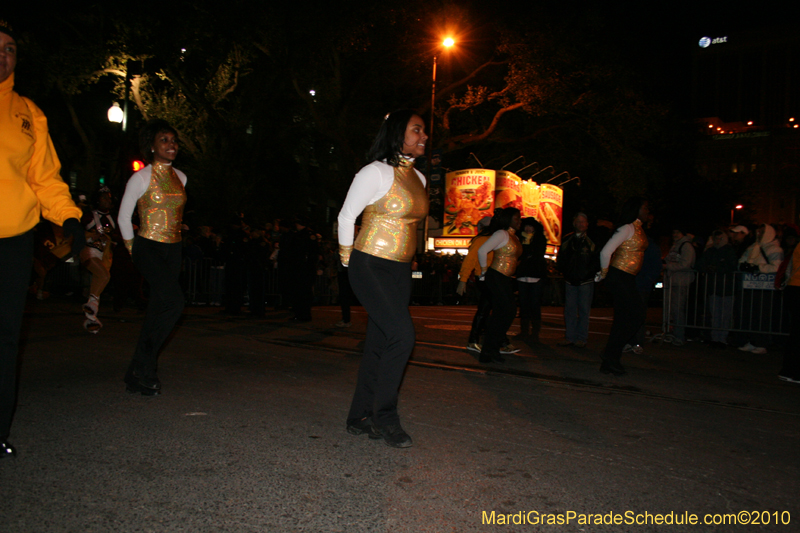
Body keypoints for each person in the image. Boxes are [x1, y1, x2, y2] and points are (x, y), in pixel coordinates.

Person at [0, 21, 85, 458]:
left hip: (13, 239)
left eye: (10, 49)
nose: (3, 55)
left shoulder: (29, 113)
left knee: (7, 337)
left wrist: (69, 217)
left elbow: (45, 178)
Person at [337, 110, 429, 448]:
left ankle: (359, 416)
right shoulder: (374, 173)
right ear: (397, 133)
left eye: (423, 131)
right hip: (369, 264)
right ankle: (384, 417)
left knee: (380, 343)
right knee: (403, 335)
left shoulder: (418, 179)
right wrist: (350, 264)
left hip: (399, 268)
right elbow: (346, 217)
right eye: (416, 130)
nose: (424, 136)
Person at [118, 119, 187, 396]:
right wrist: (133, 250)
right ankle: (146, 367)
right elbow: (123, 217)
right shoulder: (141, 177)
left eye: (173, 140)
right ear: (151, 146)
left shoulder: (182, 178)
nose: (171, 145)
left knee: (158, 310)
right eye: (164, 140)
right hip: (147, 245)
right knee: (175, 301)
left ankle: (137, 373)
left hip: (174, 248)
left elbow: (175, 213)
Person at [596, 198, 650, 376]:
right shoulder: (627, 228)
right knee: (635, 315)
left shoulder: (638, 228)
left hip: (626, 278)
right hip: (619, 276)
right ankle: (611, 354)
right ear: (635, 209)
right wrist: (604, 274)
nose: (646, 209)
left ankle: (611, 359)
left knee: (625, 319)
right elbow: (605, 251)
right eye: (643, 206)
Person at [477, 208, 522, 364]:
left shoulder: (514, 236)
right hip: (496, 276)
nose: (519, 221)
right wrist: (483, 272)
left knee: (504, 313)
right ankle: (489, 350)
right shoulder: (501, 234)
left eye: (519, 218)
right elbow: (482, 250)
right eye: (516, 218)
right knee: (506, 312)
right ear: (508, 219)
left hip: (504, 278)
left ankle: (491, 350)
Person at [737, 223, 783, 354]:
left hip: (765, 287)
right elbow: (742, 260)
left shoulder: (774, 249)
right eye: (759, 232)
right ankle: (752, 341)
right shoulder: (754, 246)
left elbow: (777, 267)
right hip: (751, 284)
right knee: (750, 314)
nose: (759, 234)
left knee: (762, 315)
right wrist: (744, 266)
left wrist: (758, 268)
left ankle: (762, 343)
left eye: (762, 232)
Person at [556, 212, 597, 347]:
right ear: (574, 223)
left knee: (584, 311)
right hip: (570, 281)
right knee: (570, 310)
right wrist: (566, 273)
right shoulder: (567, 240)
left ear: (587, 224)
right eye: (578, 221)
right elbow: (561, 259)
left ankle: (581, 338)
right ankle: (570, 337)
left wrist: (588, 273)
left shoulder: (592, 241)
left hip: (586, 281)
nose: (581, 224)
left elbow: (596, 260)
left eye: (583, 221)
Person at [80, 186, 117, 333]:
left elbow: (117, 237)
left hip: (104, 254)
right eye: (104, 197)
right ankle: (92, 307)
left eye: (109, 198)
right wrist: (90, 235)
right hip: (88, 251)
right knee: (103, 276)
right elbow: (77, 232)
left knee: (99, 282)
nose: (107, 200)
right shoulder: (88, 215)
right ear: (97, 200)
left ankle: (91, 319)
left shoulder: (114, 218)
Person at [696, 229, 738, 348]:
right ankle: (716, 338)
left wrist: (716, 268)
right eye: (716, 239)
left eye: (720, 238)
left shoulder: (729, 251)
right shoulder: (710, 251)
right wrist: (709, 268)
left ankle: (722, 338)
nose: (717, 241)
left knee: (725, 315)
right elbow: (699, 264)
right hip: (714, 287)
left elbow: (731, 266)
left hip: (726, 288)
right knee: (715, 314)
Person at [515, 217, 548, 341]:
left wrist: (526, 253)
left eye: (531, 226)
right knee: (523, 304)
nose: (528, 228)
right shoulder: (518, 238)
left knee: (534, 304)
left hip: (536, 276)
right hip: (522, 276)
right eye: (526, 226)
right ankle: (523, 331)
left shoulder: (540, 239)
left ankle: (535, 333)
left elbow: (537, 254)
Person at [663, 226, 696, 346]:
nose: (675, 234)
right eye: (673, 232)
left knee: (677, 309)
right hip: (673, 280)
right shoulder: (675, 246)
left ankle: (679, 335)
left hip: (681, 281)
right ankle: (674, 333)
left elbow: (685, 264)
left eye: (677, 232)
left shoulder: (686, 246)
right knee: (672, 309)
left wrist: (668, 266)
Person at [779, 240, 800, 384]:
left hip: (794, 287)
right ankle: (795, 372)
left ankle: (788, 370)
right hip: (797, 287)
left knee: (796, 332)